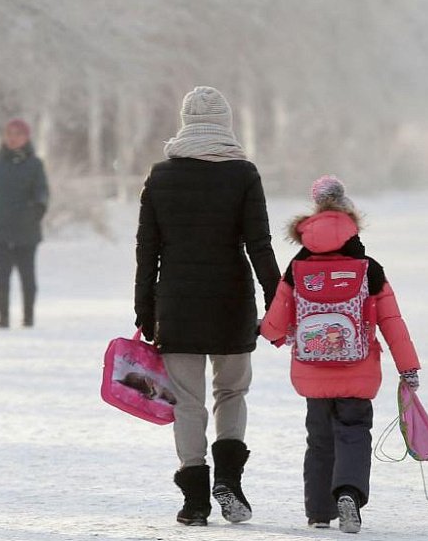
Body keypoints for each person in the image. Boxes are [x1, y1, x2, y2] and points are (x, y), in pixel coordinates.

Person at [134, 86, 281, 526]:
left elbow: (148, 250)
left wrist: (145, 308)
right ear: (225, 123)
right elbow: (259, 244)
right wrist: (278, 300)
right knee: (231, 391)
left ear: (185, 121)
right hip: (231, 301)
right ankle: (230, 482)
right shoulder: (243, 174)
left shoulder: (161, 176)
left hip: (176, 304)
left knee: (187, 400)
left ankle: (195, 499)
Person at [260, 175, 420, 534]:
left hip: (312, 371)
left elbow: (276, 320)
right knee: (353, 433)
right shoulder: (368, 268)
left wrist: (268, 333)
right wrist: (408, 367)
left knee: (318, 441)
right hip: (358, 370)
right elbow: (392, 321)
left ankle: (319, 512)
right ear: (350, 221)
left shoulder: (298, 266)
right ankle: (348, 493)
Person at [0, 119, 49, 328]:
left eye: (18, 134)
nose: (13, 138)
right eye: (9, 133)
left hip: (26, 230)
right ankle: (3, 317)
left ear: (26, 137)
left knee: (27, 277)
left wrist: (34, 213)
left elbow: (42, 194)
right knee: (1, 276)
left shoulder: (35, 164)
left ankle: (28, 317)